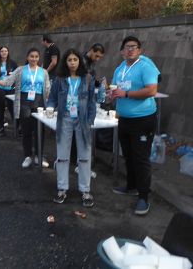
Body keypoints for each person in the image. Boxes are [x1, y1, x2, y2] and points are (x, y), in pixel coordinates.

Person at [109, 36, 160, 216]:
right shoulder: (120, 69)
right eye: (127, 47)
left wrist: (126, 94)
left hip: (143, 119)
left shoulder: (146, 66)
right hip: (124, 118)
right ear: (122, 51)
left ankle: (144, 196)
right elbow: (117, 90)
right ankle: (131, 186)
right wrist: (112, 95)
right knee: (128, 155)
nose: (130, 50)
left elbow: (151, 90)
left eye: (134, 47)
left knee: (141, 158)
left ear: (139, 50)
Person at [47, 49, 97, 206]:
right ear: (65, 62)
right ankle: (62, 189)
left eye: (75, 59)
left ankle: (85, 191)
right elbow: (53, 98)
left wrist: (90, 120)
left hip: (82, 121)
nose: (73, 62)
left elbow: (91, 102)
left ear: (79, 61)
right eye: (69, 60)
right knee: (62, 155)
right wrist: (50, 107)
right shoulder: (60, 79)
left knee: (84, 156)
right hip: (65, 119)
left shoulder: (87, 78)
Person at [0, 48, 51, 168]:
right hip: (24, 102)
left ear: (39, 58)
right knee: (27, 130)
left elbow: (47, 89)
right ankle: (27, 156)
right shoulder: (20, 70)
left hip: (39, 103)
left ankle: (39, 156)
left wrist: (50, 102)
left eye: (36, 56)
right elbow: (8, 82)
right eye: (31, 56)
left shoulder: (44, 72)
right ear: (27, 57)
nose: (34, 59)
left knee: (40, 130)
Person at [0, 46, 17, 137]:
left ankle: (16, 128)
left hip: (10, 88)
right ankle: (1, 128)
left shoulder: (13, 63)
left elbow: (17, 76)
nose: (4, 52)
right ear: (0, 53)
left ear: (8, 52)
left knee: (12, 107)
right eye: (2, 51)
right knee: (1, 107)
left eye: (6, 51)